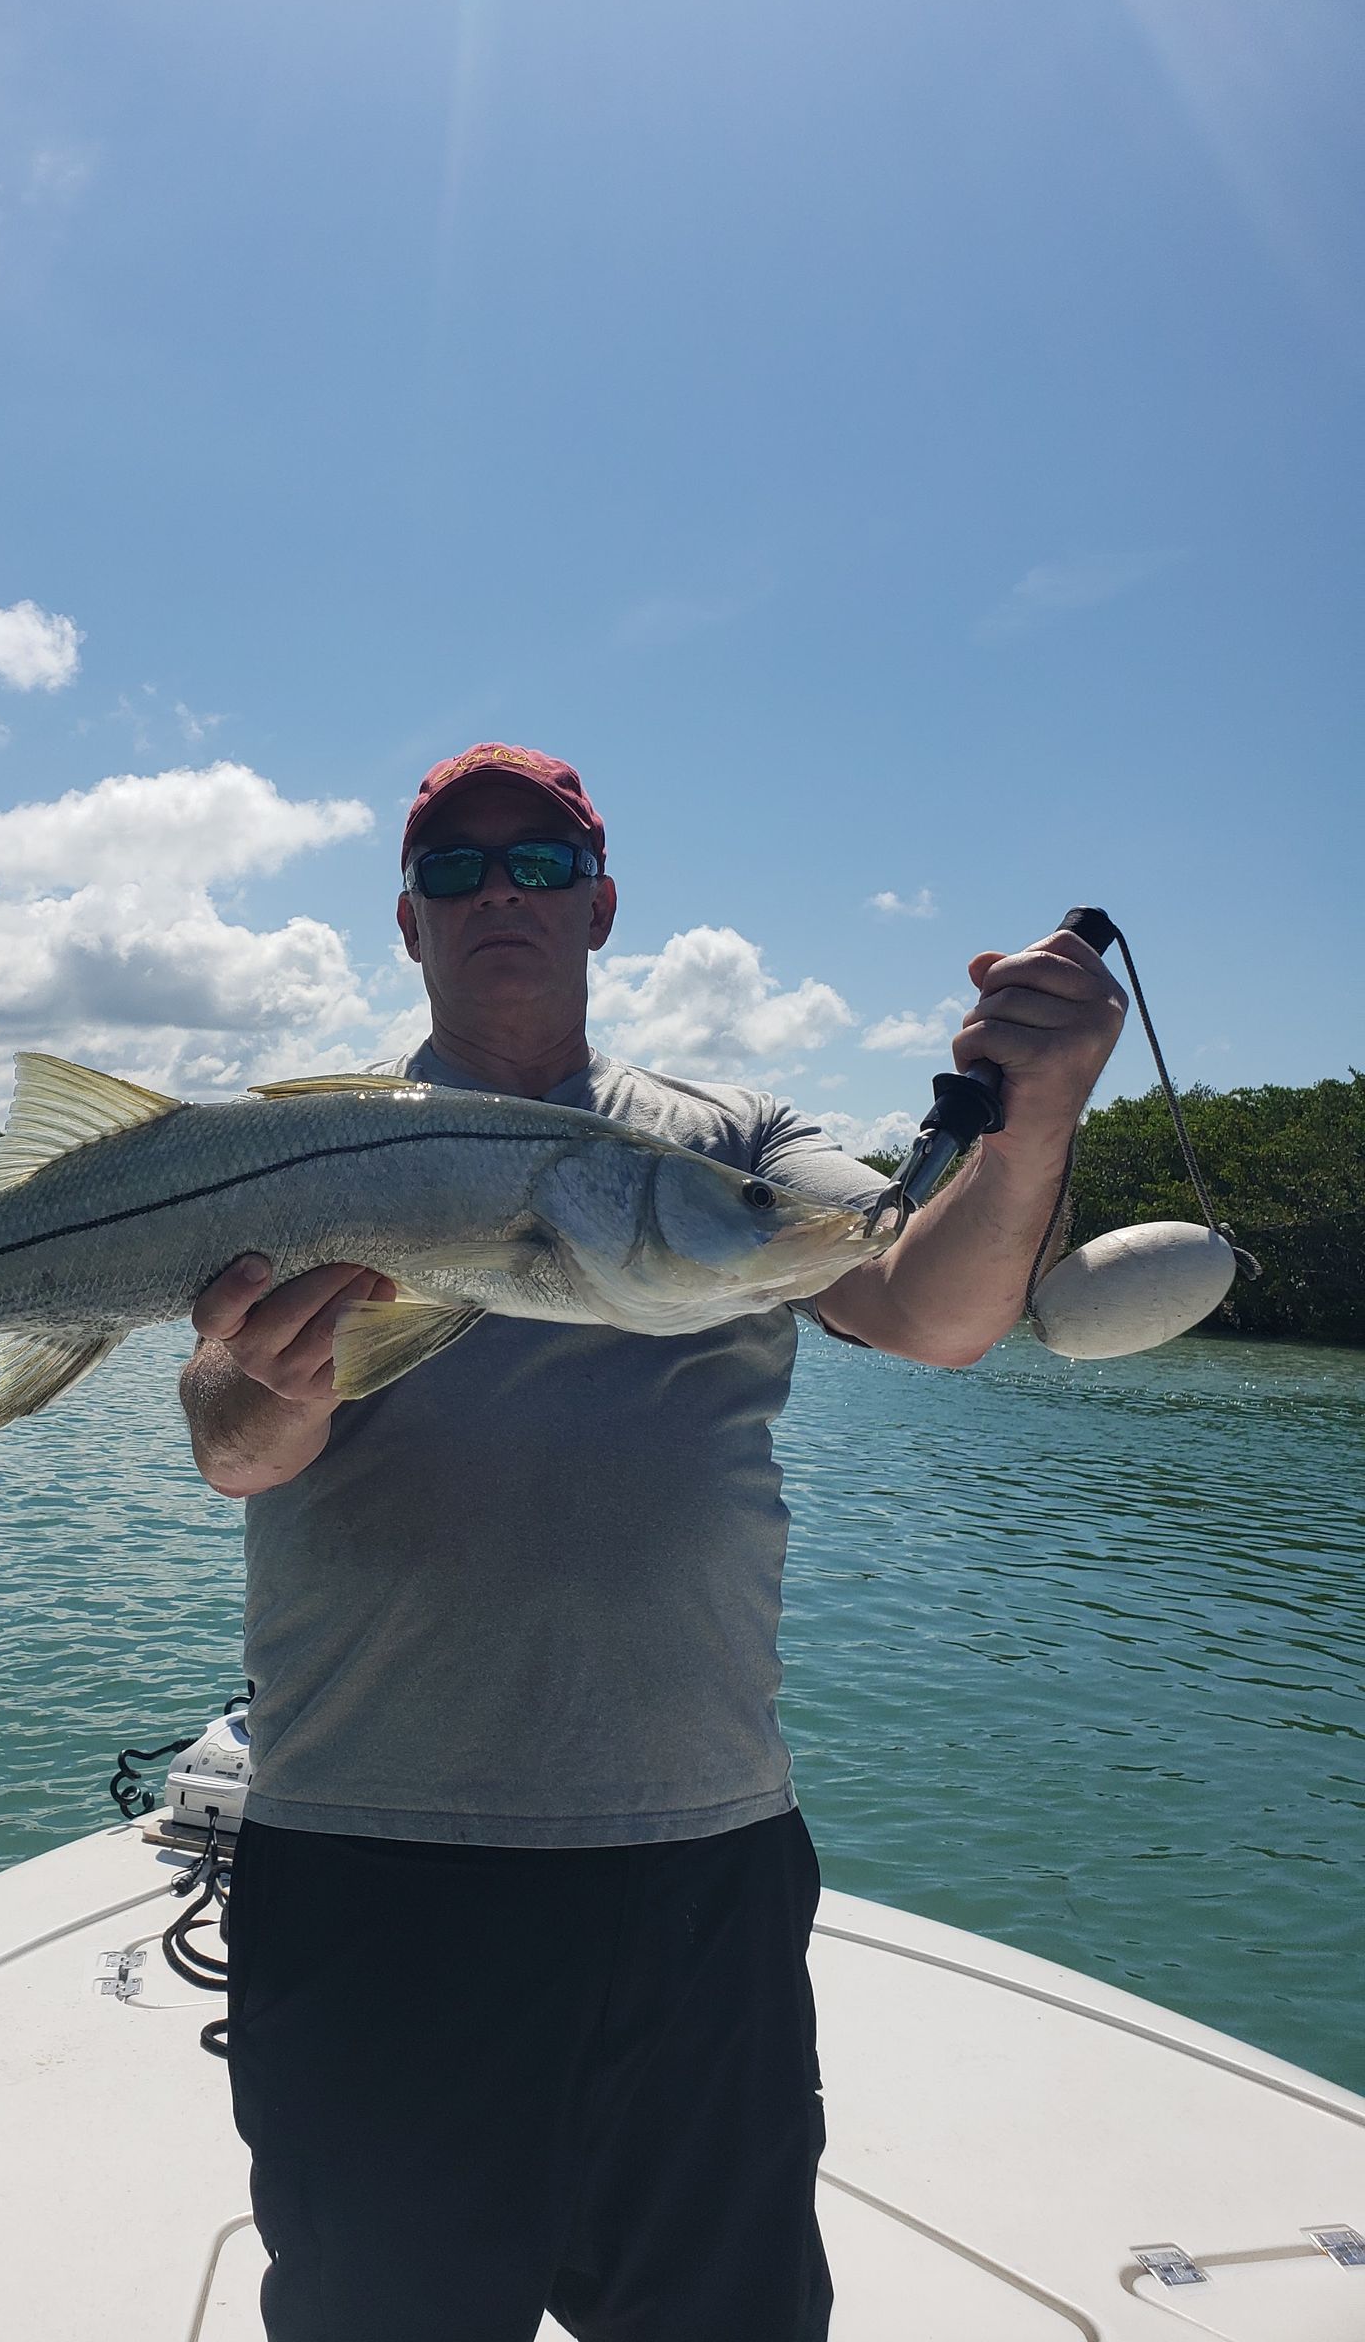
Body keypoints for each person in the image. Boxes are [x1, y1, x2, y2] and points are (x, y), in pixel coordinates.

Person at [177, 742, 1125, 2342]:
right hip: (369, 1858)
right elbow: (229, 1445)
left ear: (601, 907)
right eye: (454, 869)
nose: (498, 893)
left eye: (538, 866)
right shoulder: (315, 1146)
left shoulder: (736, 1146)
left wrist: (1032, 1123)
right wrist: (267, 1393)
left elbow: (929, 1306)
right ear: (407, 922)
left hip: (696, 1869)